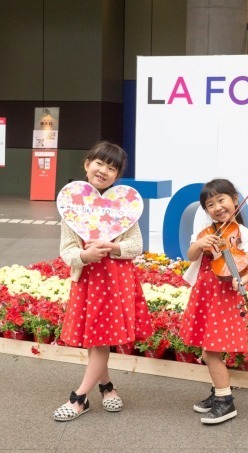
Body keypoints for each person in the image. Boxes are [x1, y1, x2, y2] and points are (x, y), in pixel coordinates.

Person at [53, 141, 152, 422]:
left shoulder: (123, 207)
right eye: (99, 163)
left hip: (116, 282)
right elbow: (67, 250)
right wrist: (85, 254)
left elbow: (136, 245)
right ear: (87, 164)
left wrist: (111, 248)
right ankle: (107, 387)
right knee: (98, 339)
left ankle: (79, 397)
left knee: (100, 341)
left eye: (112, 168)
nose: (104, 170)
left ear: (117, 175)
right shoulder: (71, 204)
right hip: (87, 280)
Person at [179, 178, 248, 425]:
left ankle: (226, 402)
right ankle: (218, 392)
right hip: (205, 295)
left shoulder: (244, 234)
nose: (217, 207)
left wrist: (241, 278)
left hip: (224, 296)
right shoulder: (206, 233)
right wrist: (199, 244)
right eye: (210, 204)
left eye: (221, 200)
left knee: (212, 350)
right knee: (207, 348)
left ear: (234, 199)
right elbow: (190, 255)